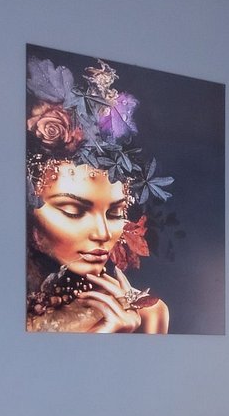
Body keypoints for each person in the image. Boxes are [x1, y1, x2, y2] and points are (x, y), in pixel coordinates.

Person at [24, 53, 171, 333]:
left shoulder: (149, 314)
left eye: (115, 212)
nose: (102, 234)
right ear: (29, 213)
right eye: (73, 211)